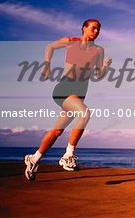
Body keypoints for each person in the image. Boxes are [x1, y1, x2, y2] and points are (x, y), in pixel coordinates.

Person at [24, 19, 112, 181]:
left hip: (80, 93)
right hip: (64, 89)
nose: (96, 32)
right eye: (93, 28)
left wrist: (105, 66)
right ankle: (68, 155)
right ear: (84, 29)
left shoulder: (98, 51)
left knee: (58, 131)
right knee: (85, 114)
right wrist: (46, 65)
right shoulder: (71, 41)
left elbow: (98, 75)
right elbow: (50, 47)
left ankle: (34, 159)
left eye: (98, 29)